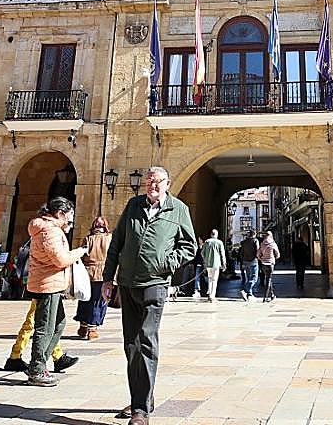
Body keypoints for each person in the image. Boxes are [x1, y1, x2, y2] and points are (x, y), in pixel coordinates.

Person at [102, 166, 196, 425]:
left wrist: (166, 263)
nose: (152, 186)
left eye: (157, 182)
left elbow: (189, 246)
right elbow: (117, 242)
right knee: (131, 344)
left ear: (168, 183)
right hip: (127, 283)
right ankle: (142, 398)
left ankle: (140, 411)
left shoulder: (178, 209)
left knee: (146, 340)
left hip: (155, 284)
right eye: (148, 182)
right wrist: (108, 278)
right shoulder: (133, 206)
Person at [25, 197, 87, 386]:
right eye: (69, 216)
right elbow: (60, 260)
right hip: (47, 285)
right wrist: (80, 252)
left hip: (50, 283)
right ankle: (37, 369)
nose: (71, 220)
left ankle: (40, 364)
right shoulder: (50, 231)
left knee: (58, 323)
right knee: (45, 327)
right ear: (60, 214)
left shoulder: (48, 229)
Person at [3, 238, 75, 374]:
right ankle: (16, 357)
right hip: (43, 286)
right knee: (37, 322)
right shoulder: (47, 237)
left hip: (39, 284)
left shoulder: (39, 238)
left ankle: (55, 356)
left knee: (44, 322)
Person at [75, 215, 113, 339]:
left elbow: (82, 255)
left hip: (87, 273)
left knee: (85, 299)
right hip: (103, 273)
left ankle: (83, 326)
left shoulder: (88, 239)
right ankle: (92, 328)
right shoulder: (109, 238)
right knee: (99, 301)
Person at [201, 229, 226, 302]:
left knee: (210, 279)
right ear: (216, 235)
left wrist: (205, 260)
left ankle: (209, 295)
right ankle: (212, 296)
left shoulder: (207, 242)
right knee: (214, 280)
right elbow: (222, 254)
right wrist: (224, 264)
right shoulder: (219, 242)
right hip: (216, 264)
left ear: (211, 234)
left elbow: (202, 253)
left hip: (208, 264)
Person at [256, 231, 280, 301]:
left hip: (263, 264)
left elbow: (258, 254)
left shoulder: (262, 244)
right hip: (270, 264)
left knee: (268, 278)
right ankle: (265, 297)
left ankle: (272, 294)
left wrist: (261, 259)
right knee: (268, 279)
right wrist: (274, 258)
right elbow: (278, 254)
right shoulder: (273, 244)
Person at [238, 232, 259, 301]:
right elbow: (257, 251)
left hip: (245, 261)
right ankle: (245, 290)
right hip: (253, 261)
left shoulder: (244, 242)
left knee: (249, 277)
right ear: (254, 235)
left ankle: (249, 294)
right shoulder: (255, 241)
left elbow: (241, 252)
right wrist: (258, 258)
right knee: (254, 278)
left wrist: (242, 261)